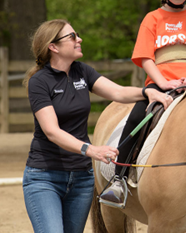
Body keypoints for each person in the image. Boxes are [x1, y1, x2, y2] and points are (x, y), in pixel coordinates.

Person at [22, 19, 173, 233]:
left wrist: (146, 92)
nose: (79, 39)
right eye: (72, 36)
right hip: (45, 177)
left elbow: (118, 92)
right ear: (53, 47)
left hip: (82, 178)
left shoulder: (81, 71)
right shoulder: (40, 81)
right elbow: (51, 131)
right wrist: (91, 150)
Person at [100, 0, 186, 206]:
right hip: (160, 83)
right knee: (139, 116)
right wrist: (162, 83)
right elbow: (144, 58)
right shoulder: (152, 19)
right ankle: (119, 178)